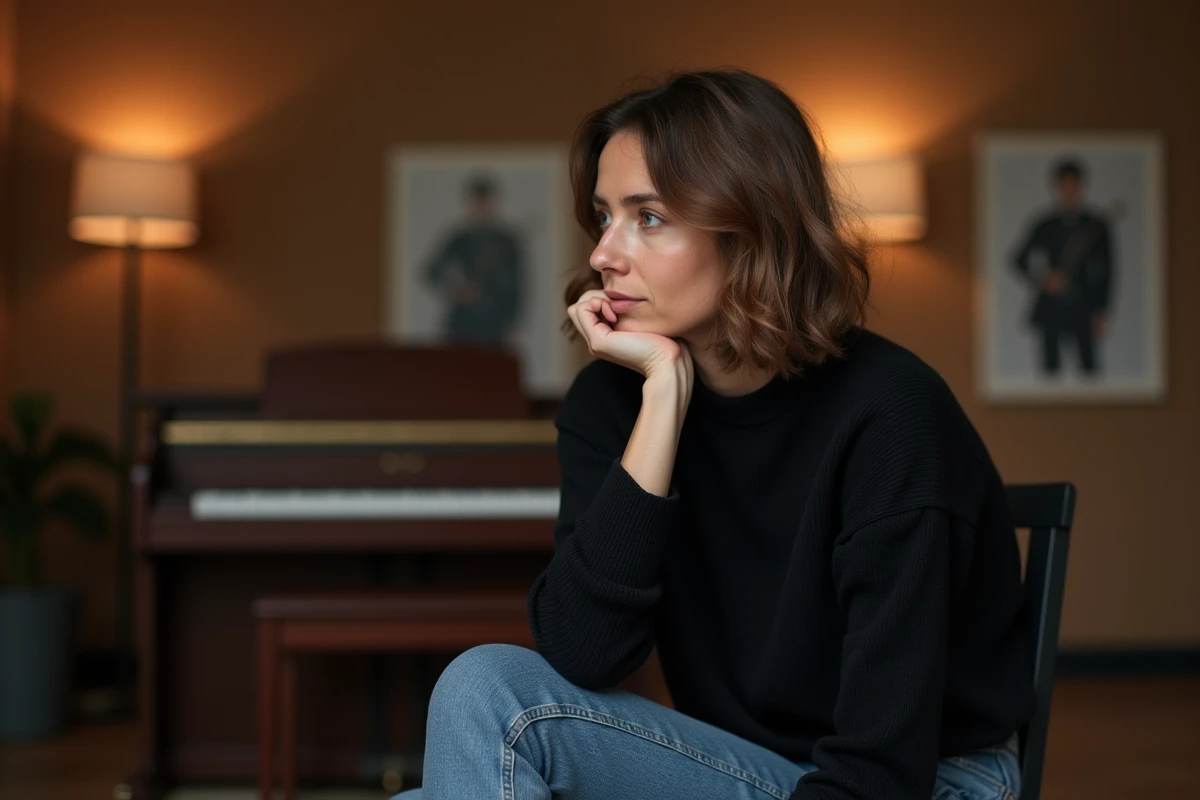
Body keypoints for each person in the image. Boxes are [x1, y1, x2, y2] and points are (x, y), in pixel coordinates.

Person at [396, 70, 1032, 800]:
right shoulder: (614, 402)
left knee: (484, 692)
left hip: (920, 781)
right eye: (604, 216)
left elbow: (880, 770)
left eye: (650, 218)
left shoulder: (891, 415)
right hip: (743, 763)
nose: (605, 253)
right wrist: (661, 399)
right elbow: (585, 652)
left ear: (751, 229)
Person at [1011, 158, 1115, 377]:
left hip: (1083, 303)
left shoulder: (1095, 225)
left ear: (1081, 185)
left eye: (1073, 183)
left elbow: (1108, 271)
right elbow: (1018, 260)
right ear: (1057, 186)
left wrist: (1102, 310)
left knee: (1089, 370)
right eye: (1064, 183)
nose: (1069, 189)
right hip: (1052, 306)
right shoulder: (1045, 224)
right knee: (1050, 371)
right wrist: (1044, 279)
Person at [422, 174, 526, 346]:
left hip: (495, 319)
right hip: (463, 319)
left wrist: (512, 321)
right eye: (478, 202)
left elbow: (518, 283)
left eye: (485, 202)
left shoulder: (507, 242)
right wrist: (458, 288)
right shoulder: (460, 238)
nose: (481, 207)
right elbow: (432, 271)